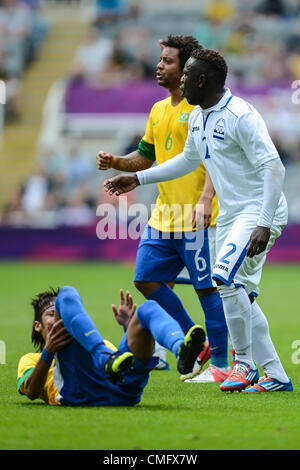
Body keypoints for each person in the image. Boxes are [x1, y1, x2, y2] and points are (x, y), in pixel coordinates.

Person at [103, 47, 293, 393]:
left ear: (202, 80)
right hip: (233, 213)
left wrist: (264, 222)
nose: (183, 80)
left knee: (222, 276)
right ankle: (277, 375)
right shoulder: (199, 117)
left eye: (187, 75)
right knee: (244, 294)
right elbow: (187, 161)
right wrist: (139, 179)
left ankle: (244, 365)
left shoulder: (241, 115)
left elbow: (274, 167)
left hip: (257, 210)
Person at [96, 35, 230, 383]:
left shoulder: (201, 109)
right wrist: (118, 162)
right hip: (162, 216)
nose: (159, 65)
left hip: (197, 218)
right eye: (160, 59)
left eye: (167, 61)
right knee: (146, 278)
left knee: (206, 289)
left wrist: (206, 199)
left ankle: (220, 363)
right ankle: (194, 341)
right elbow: (147, 156)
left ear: (186, 69)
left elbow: (216, 161)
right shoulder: (158, 110)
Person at [17, 286, 205, 406]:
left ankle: (182, 351)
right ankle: (103, 358)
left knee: (148, 308)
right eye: (53, 313)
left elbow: (127, 366)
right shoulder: (30, 360)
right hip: (82, 393)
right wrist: (48, 352)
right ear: (37, 326)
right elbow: (31, 392)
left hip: (123, 391)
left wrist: (129, 327)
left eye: (61, 311)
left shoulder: (97, 342)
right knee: (66, 294)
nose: (60, 316)